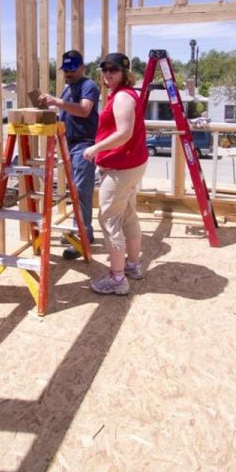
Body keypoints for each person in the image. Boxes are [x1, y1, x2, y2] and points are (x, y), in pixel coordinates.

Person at [82, 52, 148, 295]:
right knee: (128, 215)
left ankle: (117, 279)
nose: (108, 74)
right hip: (131, 165)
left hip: (121, 168)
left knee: (109, 220)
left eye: (114, 70)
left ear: (125, 73)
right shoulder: (123, 95)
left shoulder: (122, 97)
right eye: (105, 70)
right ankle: (132, 265)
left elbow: (124, 133)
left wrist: (95, 148)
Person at [38, 50, 99, 258]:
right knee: (75, 191)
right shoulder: (68, 89)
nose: (69, 73)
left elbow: (84, 110)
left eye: (73, 69)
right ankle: (80, 231)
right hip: (70, 145)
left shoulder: (88, 86)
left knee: (81, 192)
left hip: (84, 145)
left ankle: (83, 237)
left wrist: (56, 102)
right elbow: (66, 113)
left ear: (82, 67)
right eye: (66, 70)